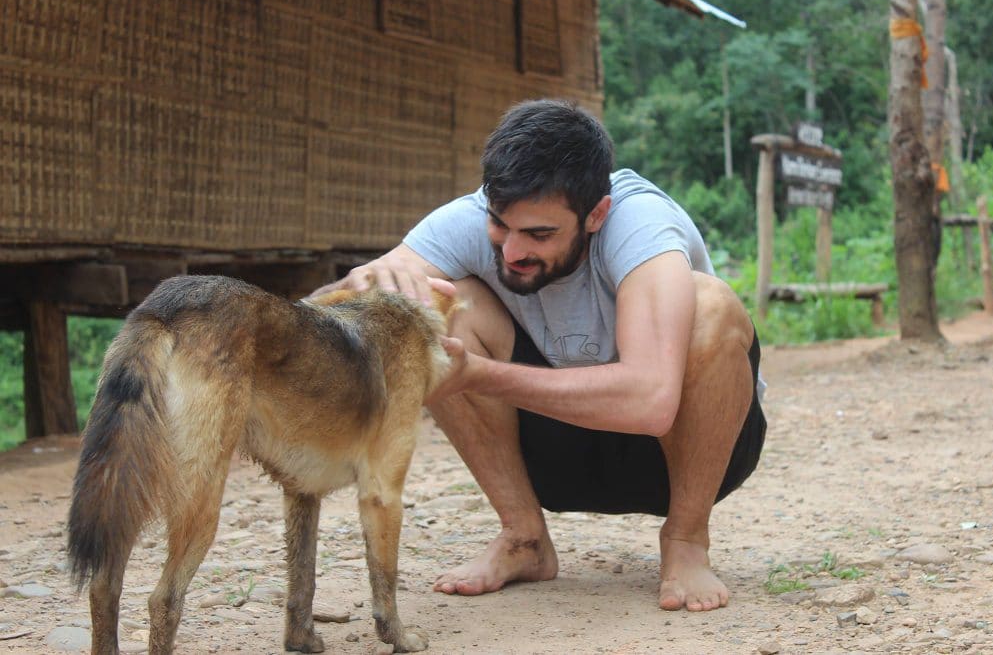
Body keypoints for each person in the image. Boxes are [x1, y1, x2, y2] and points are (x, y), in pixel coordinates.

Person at [311, 99, 766, 612]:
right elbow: (340, 306)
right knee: (438, 306)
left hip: (685, 453)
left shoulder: (641, 224)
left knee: (714, 305)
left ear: (596, 214)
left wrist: (480, 375)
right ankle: (523, 539)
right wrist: (362, 288)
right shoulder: (467, 218)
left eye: (540, 235)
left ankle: (686, 541)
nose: (511, 252)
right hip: (554, 453)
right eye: (501, 226)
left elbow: (652, 402)